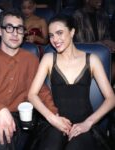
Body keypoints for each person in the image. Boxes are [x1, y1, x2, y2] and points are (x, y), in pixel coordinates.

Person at [0, 9, 59, 150]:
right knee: (2, 132)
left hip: (15, 117)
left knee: (0, 137)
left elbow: (41, 91)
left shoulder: (31, 60)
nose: (15, 33)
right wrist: (0, 110)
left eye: (19, 29)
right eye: (9, 28)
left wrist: (54, 114)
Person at [28, 15, 115, 150]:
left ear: (72, 32)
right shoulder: (49, 58)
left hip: (83, 124)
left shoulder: (92, 60)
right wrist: (52, 119)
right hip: (55, 122)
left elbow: (111, 99)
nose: (55, 40)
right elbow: (32, 95)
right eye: (51, 35)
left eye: (60, 33)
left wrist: (88, 123)